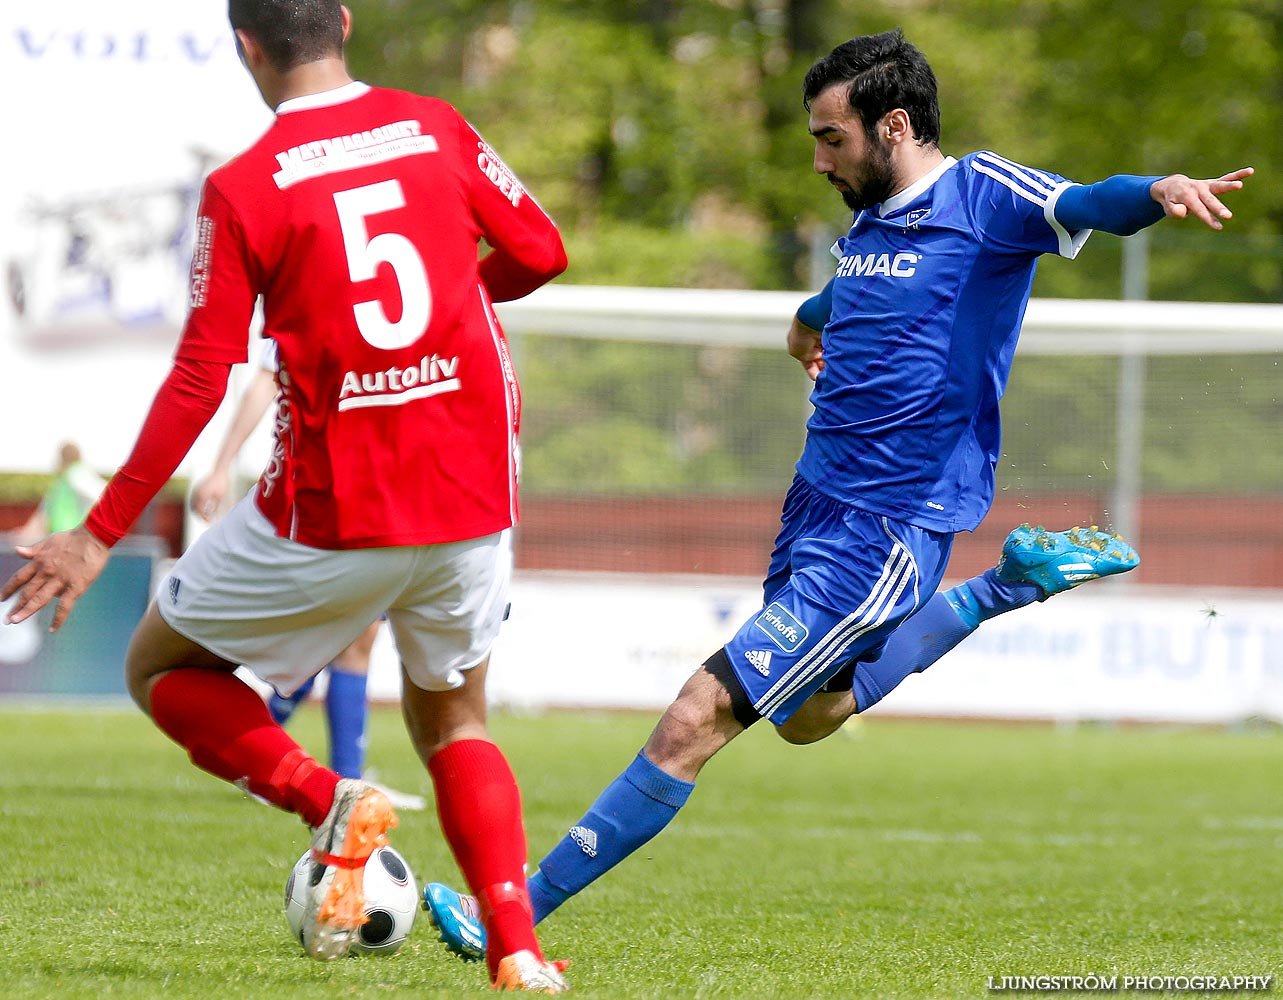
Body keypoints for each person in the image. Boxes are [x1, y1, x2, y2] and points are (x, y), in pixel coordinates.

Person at [420, 27, 1251, 967]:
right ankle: (1002, 589)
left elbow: (1086, 201)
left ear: (892, 125)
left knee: (697, 715)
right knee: (811, 715)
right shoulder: (868, 230)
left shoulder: (982, 195)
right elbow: (844, 300)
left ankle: (511, 922)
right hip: (815, 505)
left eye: (831, 138)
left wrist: (1157, 192)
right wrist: (802, 321)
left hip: (891, 524)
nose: (818, 160)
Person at [2, 1, 569, 991]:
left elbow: (199, 375)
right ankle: (517, 951)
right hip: (470, 493)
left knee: (161, 667)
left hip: (335, 507)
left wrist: (98, 533)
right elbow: (539, 252)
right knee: (457, 723)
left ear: (245, 47)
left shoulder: (243, 186)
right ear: (345, 22)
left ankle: (327, 796)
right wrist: (447, 303)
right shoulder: (435, 126)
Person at [190, 343, 425, 811]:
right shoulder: (300, 305)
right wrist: (221, 466)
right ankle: (335, 778)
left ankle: (275, 758)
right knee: (346, 639)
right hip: (330, 492)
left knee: (340, 639)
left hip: (370, 488)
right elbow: (264, 379)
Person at [8, 442, 105, 543]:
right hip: (66, 538)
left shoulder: (76, 474)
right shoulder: (63, 480)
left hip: (69, 537)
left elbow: (101, 496)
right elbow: (44, 511)